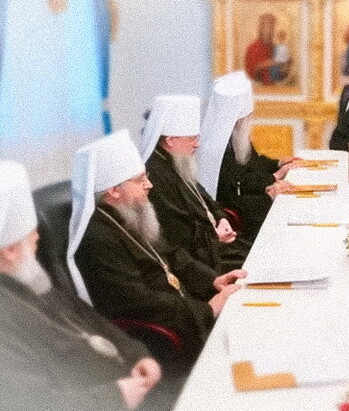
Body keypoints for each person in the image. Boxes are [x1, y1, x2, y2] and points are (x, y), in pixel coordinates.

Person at [69, 131, 244, 371]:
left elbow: (172, 255)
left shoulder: (130, 215)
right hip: (165, 336)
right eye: (140, 180)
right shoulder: (97, 237)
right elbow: (136, 300)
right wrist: (207, 310)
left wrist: (212, 281)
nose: (149, 185)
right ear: (113, 191)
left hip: (184, 312)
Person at [0, 160, 161, 410]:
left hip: (126, 383)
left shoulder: (30, 279)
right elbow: (30, 403)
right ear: (10, 251)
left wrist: (136, 352)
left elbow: (91, 319)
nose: (38, 239)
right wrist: (115, 395)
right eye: (32, 235)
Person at [140, 94, 252, 272]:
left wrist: (221, 218)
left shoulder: (177, 162)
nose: (197, 145)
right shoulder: (155, 175)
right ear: (171, 140)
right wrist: (214, 236)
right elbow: (176, 231)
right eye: (192, 138)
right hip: (196, 260)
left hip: (210, 247)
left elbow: (205, 198)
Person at [196, 71, 300, 241]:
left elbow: (253, 163)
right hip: (237, 226)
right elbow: (234, 199)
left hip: (252, 208)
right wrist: (270, 190)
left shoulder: (234, 138)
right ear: (236, 120)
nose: (250, 119)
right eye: (247, 117)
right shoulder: (217, 152)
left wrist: (279, 163)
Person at [245, 13, 277, 85]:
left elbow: (278, 73)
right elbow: (250, 74)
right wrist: (263, 65)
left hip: (274, 89)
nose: (268, 29)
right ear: (261, 28)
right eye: (266, 26)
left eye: (271, 26)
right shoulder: (253, 48)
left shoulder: (275, 47)